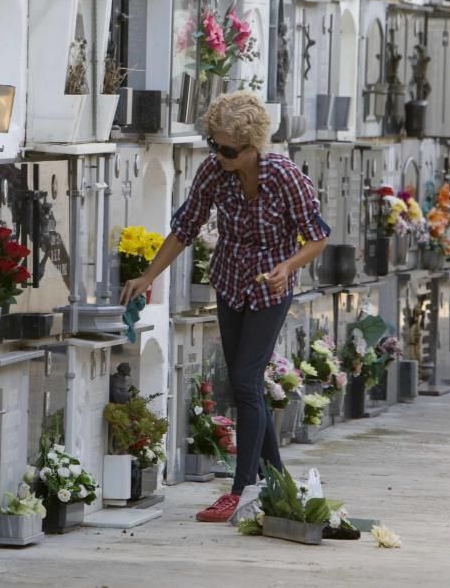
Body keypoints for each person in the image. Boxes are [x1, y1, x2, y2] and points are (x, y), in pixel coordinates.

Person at [120, 91, 329, 523]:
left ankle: (241, 488)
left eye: (229, 149)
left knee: (247, 380)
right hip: (231, 283)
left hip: (270, 289)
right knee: (244, 385)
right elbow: (185, 228)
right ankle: (277, 480)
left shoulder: (285, 177)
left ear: (253, 146)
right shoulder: (214, 172)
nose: (219, 154)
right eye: (213, 144)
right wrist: (148, 276)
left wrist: (286, 267)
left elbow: (317, 237)